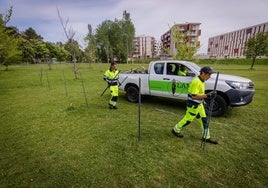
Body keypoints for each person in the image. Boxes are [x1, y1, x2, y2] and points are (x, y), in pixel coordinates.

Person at [171, 66, 218, 144]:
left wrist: (204, 99)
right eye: (209, 74)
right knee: (188, 120)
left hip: (199, 105)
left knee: (204, 121)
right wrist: (207, 95)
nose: (210, 76)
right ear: (203, 73)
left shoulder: (202, 80)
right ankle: (175, 130)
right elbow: (194, 96)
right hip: (193, 105)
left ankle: (206, 137)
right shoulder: (196, 82)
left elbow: (199, 94)